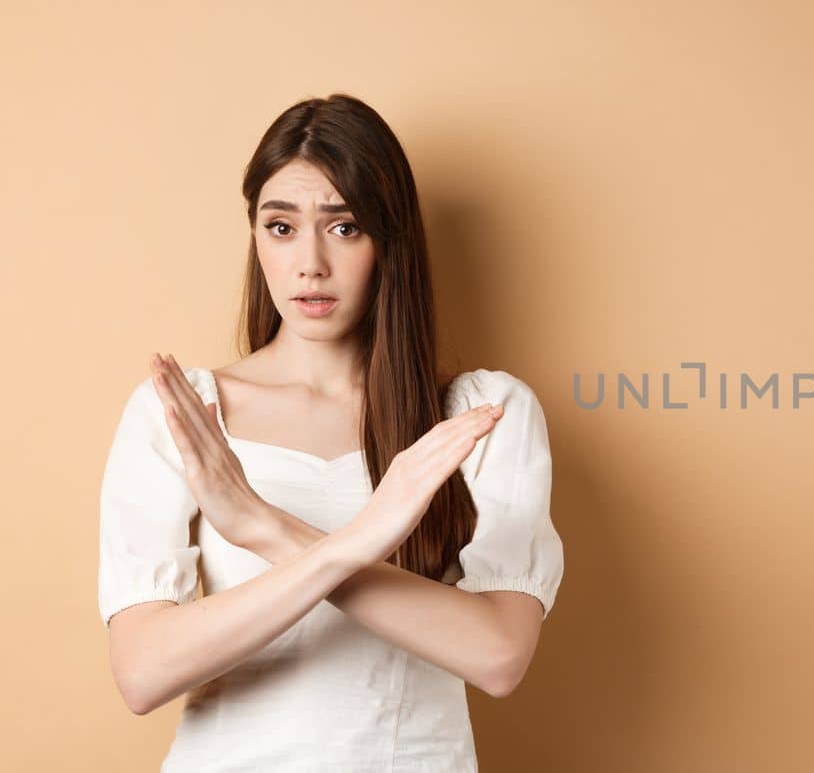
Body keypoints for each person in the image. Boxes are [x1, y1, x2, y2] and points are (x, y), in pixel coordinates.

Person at [95, 93, 564, 771]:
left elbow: (497, 656)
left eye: (344, 228)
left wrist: (264, 527)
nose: (309, 263)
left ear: (389, 239)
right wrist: (360, 541)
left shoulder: (476, 418)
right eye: (281, 227)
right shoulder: (185, 412)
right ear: (255, 235)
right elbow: (142, 672)